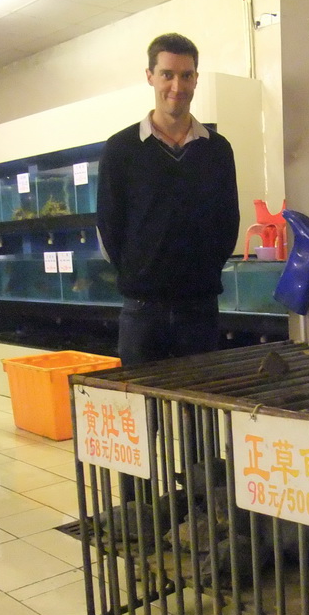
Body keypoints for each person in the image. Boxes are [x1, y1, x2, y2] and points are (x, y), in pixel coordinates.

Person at [96, 32, 239, 367]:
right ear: (150, 77)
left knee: (200, 410)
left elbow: (227, 223)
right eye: (167, 75)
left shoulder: (217, 150)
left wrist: (201, 274)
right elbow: (109, 226)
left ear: (196, 79)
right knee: (144, 409)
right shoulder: (121, 149)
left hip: (200, 309)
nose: (177, 86)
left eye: (186, 75)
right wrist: (142, 273)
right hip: (141, 312)